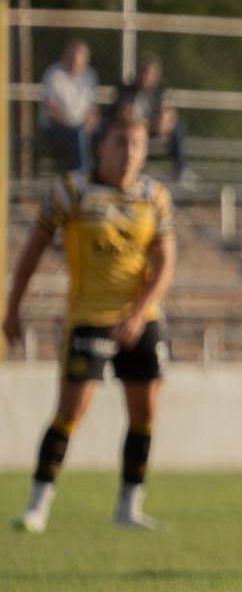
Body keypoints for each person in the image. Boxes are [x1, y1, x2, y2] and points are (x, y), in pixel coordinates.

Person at [6, 109, 175, 532]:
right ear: (101, 145)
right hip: (89, 317)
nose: (129, 152)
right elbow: (33, 249)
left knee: (145, 411)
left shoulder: (154, 196)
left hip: (141, 318)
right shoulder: (71, 190)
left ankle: (129, 506)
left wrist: (139, 314)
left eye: (137, 144)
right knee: (72, 407)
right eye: (120, 142)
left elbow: (166, 263)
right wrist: (12, 307)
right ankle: (38, 505)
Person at [119, 55, 194, 187]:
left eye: (151, 74)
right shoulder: (127, 90)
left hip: (151, 130)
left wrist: (162, 123)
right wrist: (147, 124)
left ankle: (180, 171)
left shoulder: (157, 94)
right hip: (131, 130)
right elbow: (126, 114)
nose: (146, 78)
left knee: (178, 126)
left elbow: (167, 115)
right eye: (144, 73)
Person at [39, 40, 99, 174]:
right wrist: (74, 124)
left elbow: (93, 109)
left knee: (108, 133)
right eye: (71, 58)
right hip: (55, 128)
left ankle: (104, 177)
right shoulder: (54, 74)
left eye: (78, 60)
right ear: (65, 56)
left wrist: (91, 122)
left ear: (85, 60)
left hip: (81, 128)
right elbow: (51, 109)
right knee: (78, 135)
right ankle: (85, 177)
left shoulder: (90, 76)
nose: (74, 63)